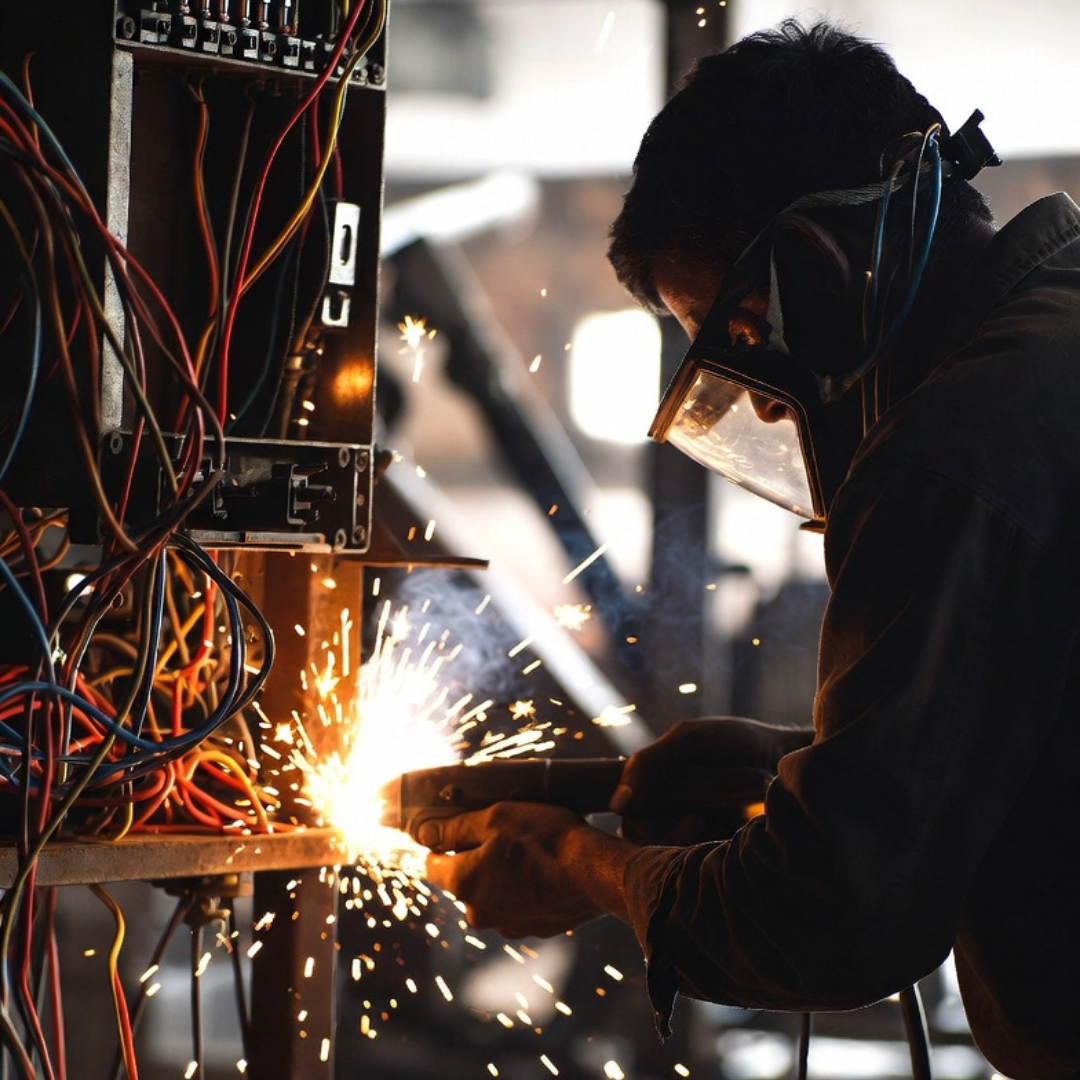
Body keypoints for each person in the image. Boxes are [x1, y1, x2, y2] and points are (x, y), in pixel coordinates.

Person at [422, 21, 1080, 1080]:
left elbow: (829, 919)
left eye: (735, 344)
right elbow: (1037, 734)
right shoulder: (1055, 332)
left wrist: (578, 864)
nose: (762, 405)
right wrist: (797, 766)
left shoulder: (949, 454)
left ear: (815, 271)